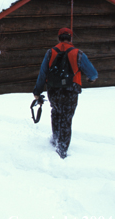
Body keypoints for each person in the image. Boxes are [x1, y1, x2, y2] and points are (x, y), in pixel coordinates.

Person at [32, 27, 98, 159]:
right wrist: (90, 79)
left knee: (56, 112)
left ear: (58, 38)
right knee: (66, 119)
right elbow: (93, 74)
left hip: (53, 90)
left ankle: (55, 140)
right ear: (71, 38)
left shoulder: (50, 53)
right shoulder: (77, 53)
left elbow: (43, 73)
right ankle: (61, 150)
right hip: (70, 91)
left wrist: (37, 91)